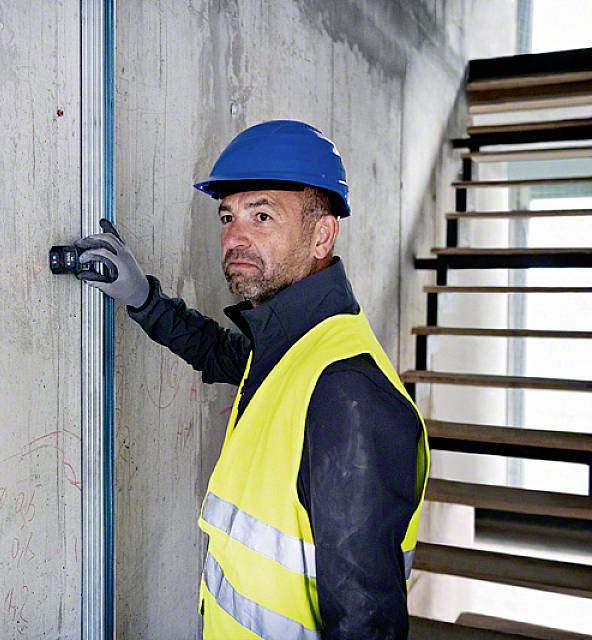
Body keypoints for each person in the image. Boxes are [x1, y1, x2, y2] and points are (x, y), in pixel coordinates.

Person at [74, 120, 430, 639]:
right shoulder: (288, 347)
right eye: (227, 216)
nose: (234, 237)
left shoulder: (349, 395)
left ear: (322, 235)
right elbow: (221, 352)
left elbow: (366, 626)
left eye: (261, 215)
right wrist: (143, 299)